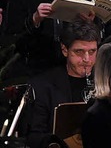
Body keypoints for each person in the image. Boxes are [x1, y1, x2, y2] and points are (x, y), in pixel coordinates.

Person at [26, 20, 101, 148]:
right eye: (79, 52)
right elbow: (34, 136)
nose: (87, 59)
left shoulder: (104, 80)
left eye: (92, 52)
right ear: (65, 50)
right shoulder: (43, 85)